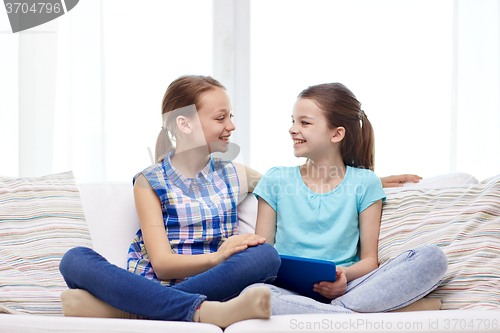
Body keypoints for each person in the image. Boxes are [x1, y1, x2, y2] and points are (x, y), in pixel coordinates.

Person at [59, 75, 281, 328]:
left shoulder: (237, 174)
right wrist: (219, 257)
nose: (230, 126)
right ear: (184, 124)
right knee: (74, 259)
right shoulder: (149, 181)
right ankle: (204, 312)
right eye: (221, 118)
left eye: (230, 116)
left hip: (213, 282)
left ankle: (133, 308)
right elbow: (163, 265)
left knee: (265, 256)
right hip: (156, 282)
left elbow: (280, 187)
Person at [243, 82, 447, 315]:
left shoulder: (365, 183)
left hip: (349, 287)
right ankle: (353, 316)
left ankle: (333, 312)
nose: (292, 129)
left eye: (304, 122)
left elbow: (370, 260)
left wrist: (343, 276)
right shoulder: (275, 179)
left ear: (337, 133)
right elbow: (262, 256)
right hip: (286, 290)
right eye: (293, 121)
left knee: (432, 258)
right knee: (257, 294)